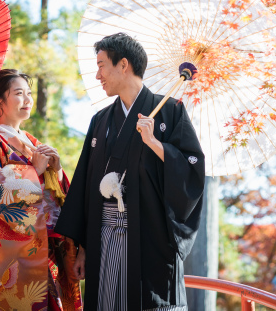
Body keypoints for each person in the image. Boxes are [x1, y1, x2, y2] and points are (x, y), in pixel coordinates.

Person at [55, 33, 205, 311]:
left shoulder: (170, 111)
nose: (97, 74)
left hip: (149, 239)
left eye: (101, 65)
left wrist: (156, 144)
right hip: (103, 239)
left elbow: (192, 172)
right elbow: (86, 187)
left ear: (123, 65)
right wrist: (84, 248)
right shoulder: (100, 121)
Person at [0, 69, 82, 311]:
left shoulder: (29, 139)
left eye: (29, 93)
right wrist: (34, 171)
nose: (27, 99)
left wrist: (56, 171)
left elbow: (56, 194)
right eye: (19, 93)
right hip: (15, 247)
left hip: (48, 244)